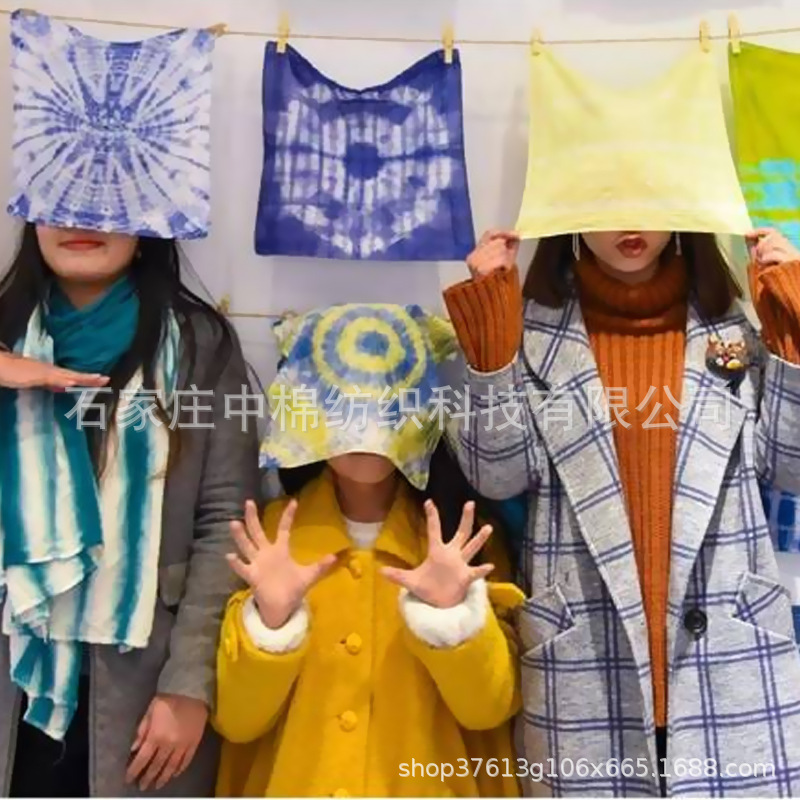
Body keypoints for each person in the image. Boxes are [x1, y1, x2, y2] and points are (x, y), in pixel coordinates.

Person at [443, 226, 800, 796]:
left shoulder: (732, 330)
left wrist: (790, 320)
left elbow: (791, 468)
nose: (630, 223)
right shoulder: (534, 336)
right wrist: (490, 329)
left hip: (733, 662)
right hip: (584, 664)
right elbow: (497, 474)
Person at [213, 303, 522, 797]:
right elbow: (237, 721)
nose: (368, 428)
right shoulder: (274, 537)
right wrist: (270, 623)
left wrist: (454, 621)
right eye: (343, 404)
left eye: (391, 403)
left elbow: (489, 710)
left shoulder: (463, 538)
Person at [0, 223, 259, 797]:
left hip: (145, 680)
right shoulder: (6, 331)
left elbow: (226, 521)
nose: (79, 224)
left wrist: (190, 684)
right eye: (61, 204)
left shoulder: (200, 345)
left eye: (105, 209)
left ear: (146, 226)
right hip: (16, 661)